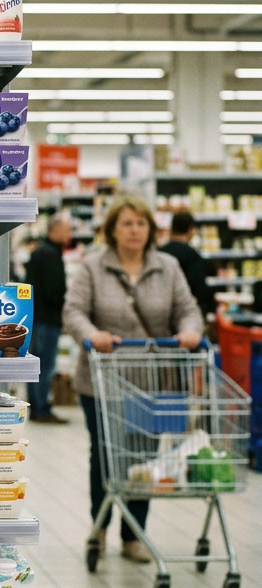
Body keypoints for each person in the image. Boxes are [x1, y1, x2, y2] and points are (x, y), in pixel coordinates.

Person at [63, 195, 203, 563]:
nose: (135, 230)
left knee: (143, 457)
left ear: (152, 230)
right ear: (111, 231)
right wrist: (92, 335)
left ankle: (133, 535)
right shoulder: (93, 267)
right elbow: (74, 311)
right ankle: (100, 529)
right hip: (102, 380)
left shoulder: (168, 267)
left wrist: (189, 332)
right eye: (126, 223)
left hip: (155, 381)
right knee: (106, 456)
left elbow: (188, 310)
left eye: (141, 223)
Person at [25, 213, 72, 423]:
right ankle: (41, 408)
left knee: (36, 364)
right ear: (56, 229)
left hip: (37, 317)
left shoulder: (41, 252)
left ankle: (37, 406)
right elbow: (54, 290)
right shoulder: (50, 254)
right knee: (44, 365)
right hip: (47, 319)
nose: (70, 234)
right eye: (68, 230)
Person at [159, 210, 214, 318]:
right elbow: (199, 289)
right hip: (185, 314)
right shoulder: (192, 255)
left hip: (162, 312)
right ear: (191, 229)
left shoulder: (160, 252)